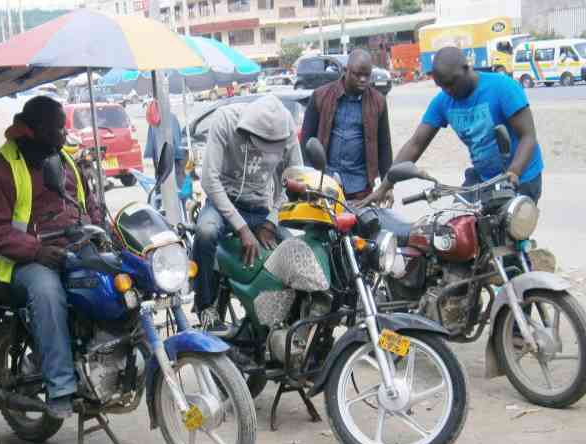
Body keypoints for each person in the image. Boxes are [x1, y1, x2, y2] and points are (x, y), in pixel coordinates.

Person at [0, 96, 102, 419]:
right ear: (35, 130)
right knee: (48, 294)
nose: (65, 134)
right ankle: (61, 386)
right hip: (23, 262)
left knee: (113, 277)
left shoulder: (63, 159)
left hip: (71, 247)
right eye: (58, 128)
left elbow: (87, 206)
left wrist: (103, 232)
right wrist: (36, 250)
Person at [362, 46, 544, 206]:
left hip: (522, 176)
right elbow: (415, 144)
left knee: (507, 236)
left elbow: (528, 136)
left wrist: (513, 172)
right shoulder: (443, 101)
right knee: (458, 227)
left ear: (467, 68)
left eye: (451, 83)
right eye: (442, 86)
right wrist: (386, 185)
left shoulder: (502, 87)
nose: (448, 90)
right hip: (483, 179)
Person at [194, 94, 302, 332]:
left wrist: (271, 222)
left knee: (295, 251)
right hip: (222, 204)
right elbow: (209, 180)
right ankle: (205, 307)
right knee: (204, 233)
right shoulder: (225, 120)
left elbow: (294, 178)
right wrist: (242, 228)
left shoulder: (287, 127)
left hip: (261, 209)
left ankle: (291, 321)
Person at [301, 49, 393, 202]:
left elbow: (384, 145)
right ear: (346, 71)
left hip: (361, 188)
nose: (363, 79)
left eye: (367, 75)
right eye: (358, 74)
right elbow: (306, 140)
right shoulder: (320, 96)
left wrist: (388, 186)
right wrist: (309, 178)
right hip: (324, 184)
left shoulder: (378, 102)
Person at [144, 99, 187, 187]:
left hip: (170, 158)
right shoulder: (169, 118)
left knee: (172, 183)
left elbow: (151, 144)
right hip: (168, 158)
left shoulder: (168, 119)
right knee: (169, 183)